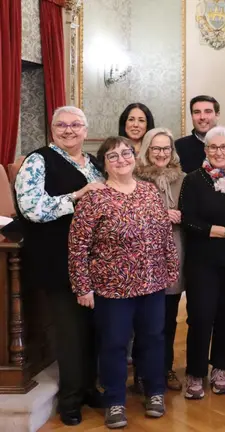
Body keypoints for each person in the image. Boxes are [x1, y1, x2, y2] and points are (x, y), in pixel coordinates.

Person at [68, 136, 179, 428]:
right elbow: (78, 246)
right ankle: (115, 400)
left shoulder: (149, 191)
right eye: (113, 156)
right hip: (112, 288)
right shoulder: (95, 197)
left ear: (134, 157)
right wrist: (82, 286)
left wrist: (171, 268)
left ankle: (154, 392)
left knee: (153, 340)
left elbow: (165, 234)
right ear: (104, 164)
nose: (121, 159)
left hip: (153, 283)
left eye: (126, 153)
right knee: (114, 344)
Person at [14, 106, 105, 426]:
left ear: (85, 130)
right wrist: (77, 195)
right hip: (57, 260)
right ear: (52, 130)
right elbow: (31, 208)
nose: (69, 130)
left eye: (76, 125)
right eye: (62, 125)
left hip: (94, 262)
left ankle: (89, 388)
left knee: (92, 328)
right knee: (69, 333)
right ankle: (70, 399)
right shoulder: (38, 161)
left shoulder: (94, 163)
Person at [179, 126, 225, 399]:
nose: (219, 152)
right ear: (205, 150)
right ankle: (195, 372)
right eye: (213, 147)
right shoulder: (193, 180)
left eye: (224, 147)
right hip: (203, 261)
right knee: (201, 316)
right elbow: (188, 220)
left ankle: (221, 368)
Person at [134, 128, 187, 392]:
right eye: (156, 148)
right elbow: (129, 216)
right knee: (143, 322)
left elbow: (195, 214)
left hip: (173, 255)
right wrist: (161, 215)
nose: (161, 153)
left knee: (168, 319)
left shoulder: (184, 179)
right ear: (147, 150)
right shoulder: (134, 178)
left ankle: (165, 368)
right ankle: (141, 373)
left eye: (166, 148)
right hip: (142, 259)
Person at [175, 95, 225, 173]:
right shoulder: (178, 146)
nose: (202, 117)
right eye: (197, 112)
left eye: (208, 111)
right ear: (192, 116)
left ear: (217, 115)